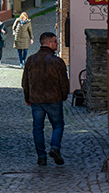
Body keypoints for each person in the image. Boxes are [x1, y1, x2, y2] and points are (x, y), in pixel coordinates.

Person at [22, 32, 69, 166]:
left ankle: (41, 156)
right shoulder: (57, 62)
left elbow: (25, 82)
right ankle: (55, 147)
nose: (57, 44)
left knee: (38, 128)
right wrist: (64, 96)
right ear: (49, 43)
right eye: (55, 41)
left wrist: (28, 97)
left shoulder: (31, 60)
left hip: (36, 100)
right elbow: (64, 82)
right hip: (54, 99)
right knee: (58, 125)